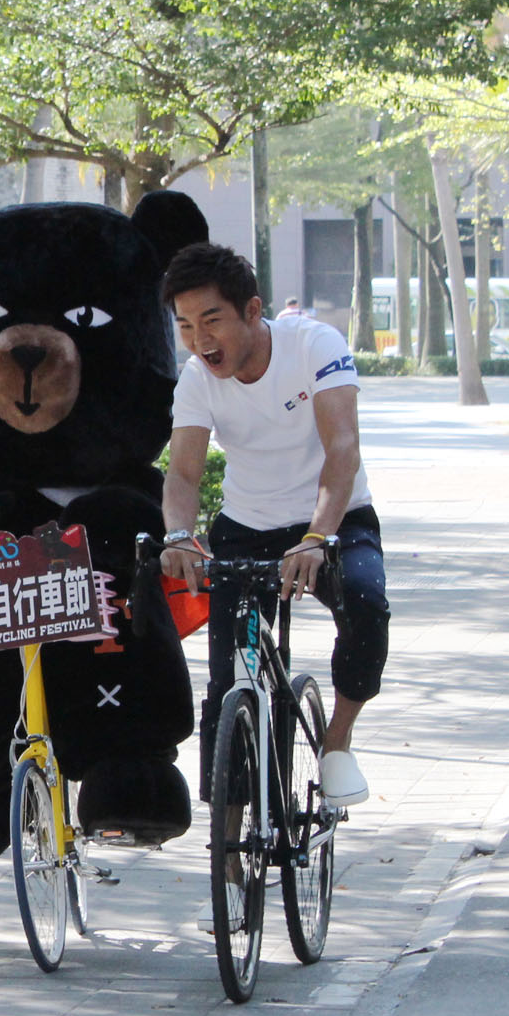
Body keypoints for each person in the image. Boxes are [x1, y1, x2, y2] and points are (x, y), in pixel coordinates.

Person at [157, 243, 383, 809]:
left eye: (211, 320)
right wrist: (179, 535)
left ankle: (337, 744)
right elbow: (183, 474)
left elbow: (342, 448)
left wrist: (316, 536)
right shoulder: (196, 378)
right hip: (247, 525)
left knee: (364, 602)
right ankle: (229, 851)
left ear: (253, 311)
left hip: (334, 519)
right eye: (184, 324)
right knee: (226, 681)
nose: (199, 339)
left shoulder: (314, 345)